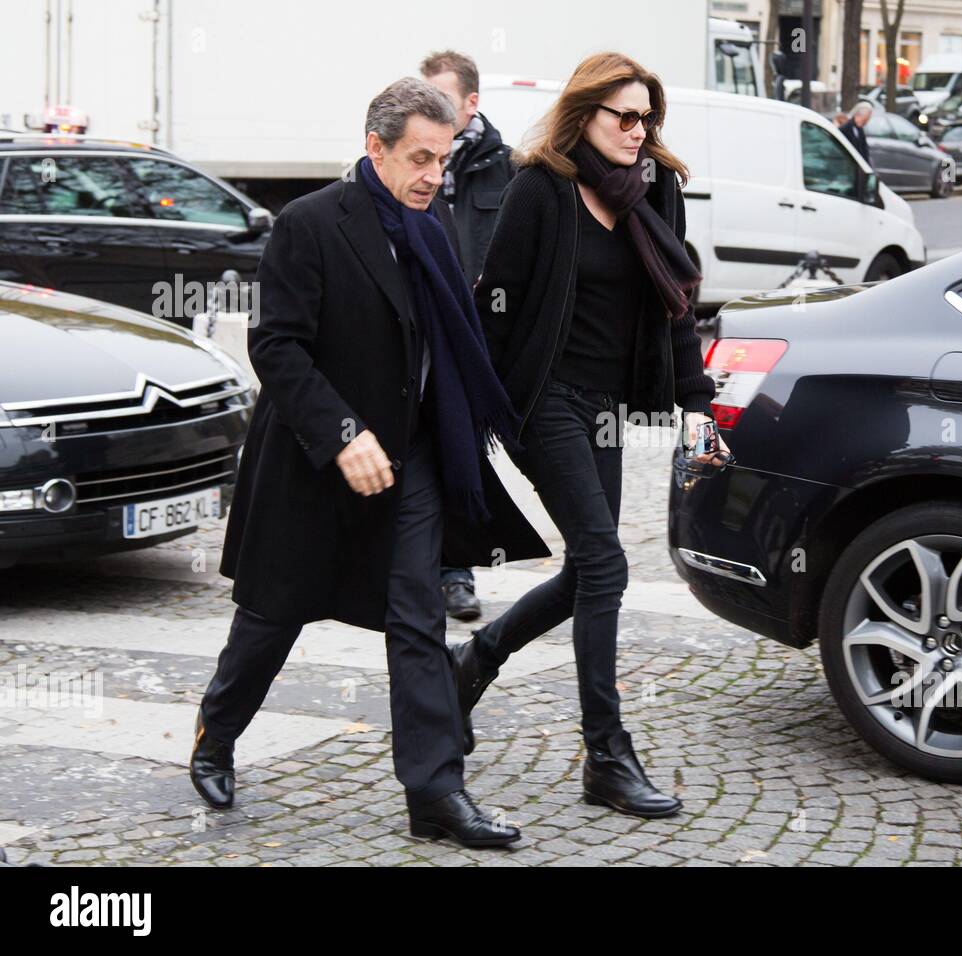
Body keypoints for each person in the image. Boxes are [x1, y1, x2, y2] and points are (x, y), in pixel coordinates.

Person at [191, 77, 549, 849]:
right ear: (374, 148)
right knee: (272, 618)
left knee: (417, 618)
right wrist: (344, 431)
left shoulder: (434, 224)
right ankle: (215, 735)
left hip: (410, 458)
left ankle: (435, 793)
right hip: (315, 462)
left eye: (442, 159)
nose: (432, 174)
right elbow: (276, 347)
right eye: (419, 157)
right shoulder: (309, 223)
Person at [452, 52, 730, 818]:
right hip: (542, 402)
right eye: (626, 117)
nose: (640, 132)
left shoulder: (656, 189)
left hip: (605, 406)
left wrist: (694, 403)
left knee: (588, 571)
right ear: (586, 116)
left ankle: (474, 660)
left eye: (649, 118)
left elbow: (676, 303)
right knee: (607, 562)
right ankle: (607, 756)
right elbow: (493, 305)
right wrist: (467, 407)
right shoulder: (540, 189)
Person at [421, 49, 516, 623]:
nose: (432, 109)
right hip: (420, 333)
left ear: (471, 102)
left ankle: (457, 573)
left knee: (461, 455)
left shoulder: (507, 167)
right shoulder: (412, 155)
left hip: (477, 339)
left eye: (444, 100)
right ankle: (414, 568)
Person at [839, 101, 873, 167]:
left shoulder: (860, 129)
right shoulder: (845, 129)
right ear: (857, 115)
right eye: (865, 120)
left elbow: (864, 150)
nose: (866, 122)